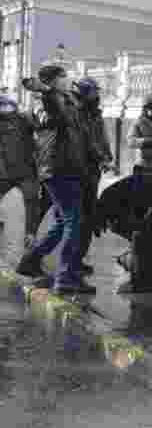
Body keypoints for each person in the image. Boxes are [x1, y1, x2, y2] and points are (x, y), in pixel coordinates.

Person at [17, 65, 94, 295]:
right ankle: (66, 277)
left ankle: (32, 260)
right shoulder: (44, 103)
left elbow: (78, 131)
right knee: (74, 222)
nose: (66, 79)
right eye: (62, 76)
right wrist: (48, 92)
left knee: (64, 222)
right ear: (53, 81)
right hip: (58, 168)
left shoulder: (64, 99)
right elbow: (56, 118)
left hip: (70, 168)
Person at [94, 172, 152, 294]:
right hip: (116, 212)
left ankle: (130, 263)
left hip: (124, 210)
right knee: (143, 240)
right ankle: (139, 282)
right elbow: (143, 220)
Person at [74, 77, 114, 277]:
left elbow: (101, 137)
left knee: (88, 218)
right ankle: (70, 261)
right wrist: (101, 156)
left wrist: (107, 155)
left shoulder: (95, 114)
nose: (97, 96)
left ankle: (78, 260)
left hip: (92, 171)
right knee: (77, 219)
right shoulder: (77, 113)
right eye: (93, 92)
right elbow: (87, 141)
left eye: (97, 92)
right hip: (78, 170)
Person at [0, 93, 41, 255]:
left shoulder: (24, 119)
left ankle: (30, 234)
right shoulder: (23, 119)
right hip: (14, 172)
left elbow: (39, 127)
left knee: (32, 203)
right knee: (32, 203)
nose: (5, 110)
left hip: (22, 171)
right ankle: (30, 234)